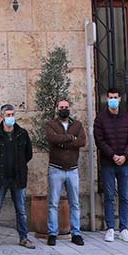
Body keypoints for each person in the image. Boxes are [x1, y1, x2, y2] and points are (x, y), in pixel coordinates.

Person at [0, 104, 35, 250]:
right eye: (7, 115)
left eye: (12, 114)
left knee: (21, 210)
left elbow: (28, 154)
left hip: (18, 178)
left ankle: (23, 237)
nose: (10, 117)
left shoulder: (22, 134)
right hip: (0, 178)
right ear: (1, 117)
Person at [93, 87, 128, 243]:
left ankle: (123, 229)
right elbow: (99, 140)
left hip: (124, 164)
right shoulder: (100, 118)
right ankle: (110, 228)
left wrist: (124, 156)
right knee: (109, 196)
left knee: (124, 196)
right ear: (107, 99)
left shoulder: (127, 117)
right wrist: (113, 155)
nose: (112, 99)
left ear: (120, 99)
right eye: (110, 97)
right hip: (108, 163)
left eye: (115, 97)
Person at [45, 99, 87, 246]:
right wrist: (70, 138)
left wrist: (63, 143)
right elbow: (52, 138)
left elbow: (82, 141)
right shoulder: (51, 124)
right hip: (56, 169)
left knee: (75, 203)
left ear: (70, 109)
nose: (64, 109)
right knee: (53, 203)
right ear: (57, 109)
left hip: (73, 170)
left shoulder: (77, 125)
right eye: (61, 107)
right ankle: (52, 233)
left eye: (66, 107)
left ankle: (76, 233)